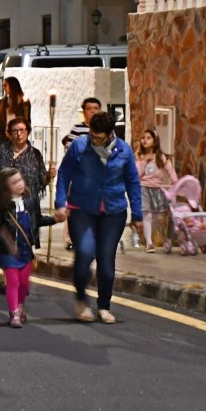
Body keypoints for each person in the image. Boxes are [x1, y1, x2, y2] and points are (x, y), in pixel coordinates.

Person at [54, 112, 143, 324]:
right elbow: (64, 173)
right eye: (92, 135)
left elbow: (133, 182)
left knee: (106, 258)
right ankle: (82, 299)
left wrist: (138, 215)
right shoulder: (79, 146)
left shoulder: (124, 150)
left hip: (113, 211)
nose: (94, 140)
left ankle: (104, 306)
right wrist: (60, 203)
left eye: (99, 138)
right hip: (82, 208)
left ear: (110, 134)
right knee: (84, 252)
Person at [0, 117, 54, 249]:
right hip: (5, 209)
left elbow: (41, 181)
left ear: (27, 132)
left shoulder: (35, 154)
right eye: (14, 131)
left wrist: (49, 177)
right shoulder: (1, 152)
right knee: (5, 247)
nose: (19, 134)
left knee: (25, 246)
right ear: (9, 134)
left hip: (27, 207)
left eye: (22, 130)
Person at [0, 168, 36, 328]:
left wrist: (56, 219)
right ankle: (14, 312)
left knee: (24, 284)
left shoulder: (29, 201)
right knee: (13, 282)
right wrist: (7, 242)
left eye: (20, 180)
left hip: (26, 250)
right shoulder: (1, 205)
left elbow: (38, 220)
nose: (19, 184)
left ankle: (21, 305)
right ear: (6, 187)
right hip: (9, 252)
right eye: (14, 182)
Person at [61, 97, 103, 251]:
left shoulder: (105, 130)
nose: (92, 111)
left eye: (96, 108)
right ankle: (71, 237)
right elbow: (69, 150)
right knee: (75, 206)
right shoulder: (77, 129)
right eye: (89, 109)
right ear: (84, 112)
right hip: (80, 175)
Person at [135, 129, 177, 252]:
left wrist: (175, 181)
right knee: (147, 214)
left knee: (158, 216)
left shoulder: (160, 157)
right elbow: (136, 174)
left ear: (155, 141)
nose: (145, 140)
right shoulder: (138, 156)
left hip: (157, 188)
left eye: (148, 138)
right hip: (143, 188)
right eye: (143, 138)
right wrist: (143, 163)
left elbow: (170, 170)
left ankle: (148, 234)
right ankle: (149, 242)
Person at [0, 77, 32, 147]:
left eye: (5, 85)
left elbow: (27, 119)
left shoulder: (23, 102)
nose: (3, 88)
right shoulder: (2, 102)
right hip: (4, 137)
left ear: (12, 86)